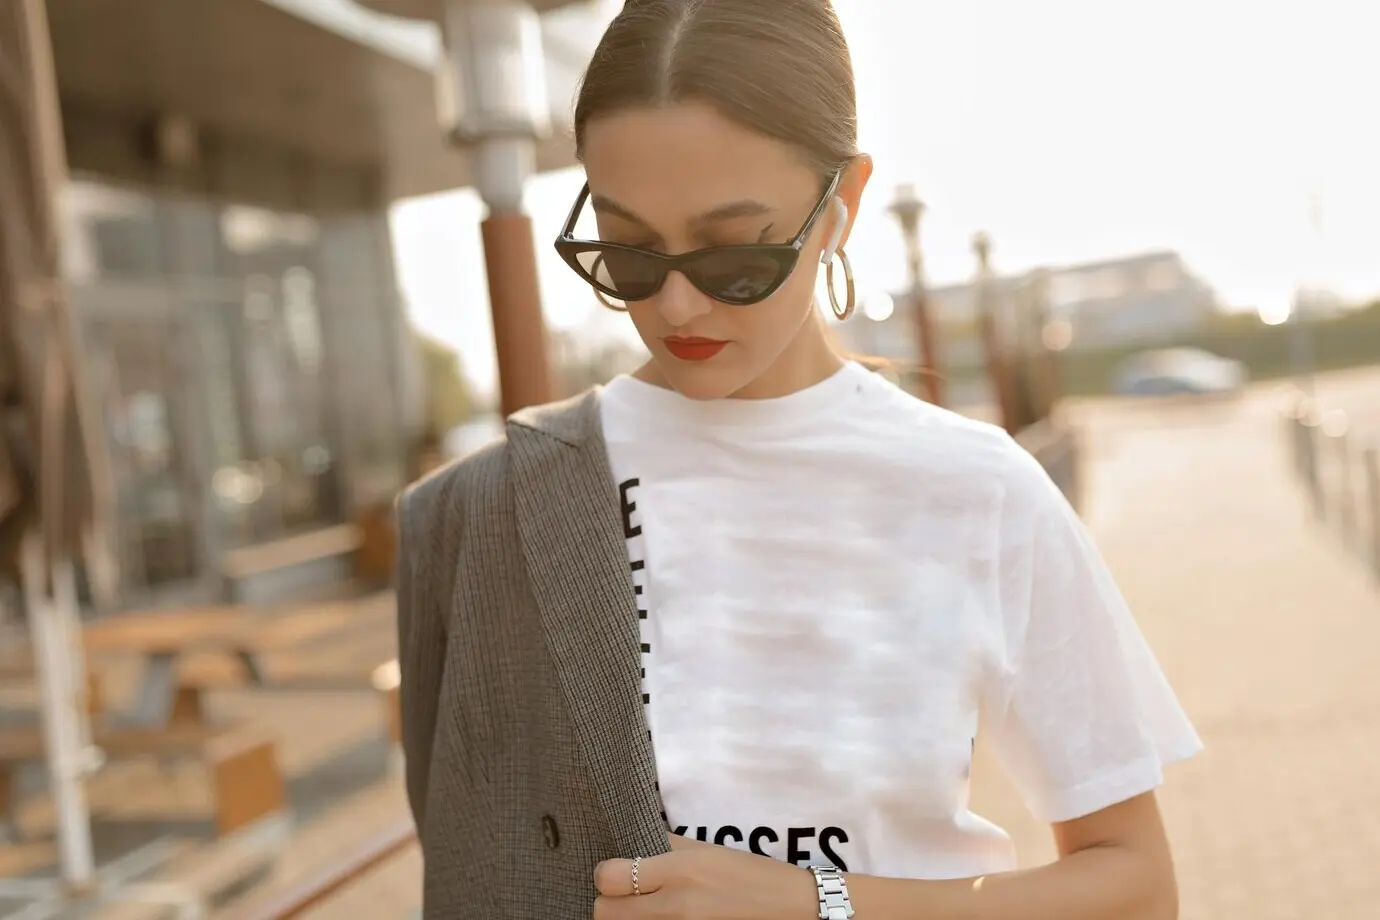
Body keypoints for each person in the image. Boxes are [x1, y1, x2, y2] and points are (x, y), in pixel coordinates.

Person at [394, 1, 1202, 918]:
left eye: (735, 255)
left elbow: (1134, 884)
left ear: (841, 207)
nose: (681, 305)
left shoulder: (979, 491)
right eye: (630, 251)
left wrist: (820, 905)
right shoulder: (484, 511)